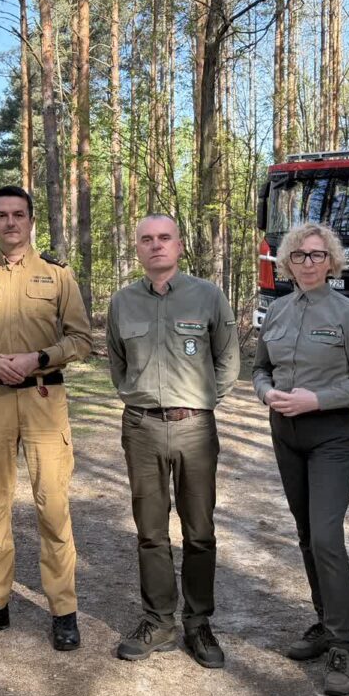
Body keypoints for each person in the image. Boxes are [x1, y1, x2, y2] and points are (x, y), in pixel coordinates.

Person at [0, 185, 92, 651]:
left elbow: (81, 339)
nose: (10, 222)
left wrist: (39, 358)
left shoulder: (57, 275)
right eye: (2, 215)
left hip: (44, 398)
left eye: (18, 214)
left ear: (31, 221)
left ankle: (63, 610)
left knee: (52, 505)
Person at [251, 223, 349, 696]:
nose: (308, 263)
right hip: (286, 434)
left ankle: (343, 644)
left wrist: (318, 399)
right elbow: (260, 367)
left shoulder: (348, 313)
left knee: (326, 536)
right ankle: (325, 622)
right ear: (287, 263)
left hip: (332, 435)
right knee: (307, 533)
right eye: (299, 255)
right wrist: (266, 392)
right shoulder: (277, 310)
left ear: (331, 261)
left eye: (317, 255)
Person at [106, 214, 239, 669]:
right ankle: (159, 620)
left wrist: (203, 402)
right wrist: (140, 398)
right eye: (147, 239)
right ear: (138, 248)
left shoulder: (208, 296)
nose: (156, 245)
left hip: (195, 429)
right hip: (141, 427)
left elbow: (227, 359)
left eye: (164, 238)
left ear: (179, 246)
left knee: (199, 531)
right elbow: (118, 363)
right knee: (150, 531)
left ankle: (198, 623)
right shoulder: (122, 302)